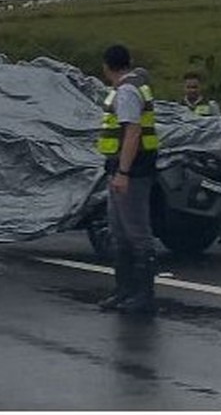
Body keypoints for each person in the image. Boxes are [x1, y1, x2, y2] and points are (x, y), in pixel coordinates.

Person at [95, 44, 160, 316]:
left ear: (106, 66)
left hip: (132, 172)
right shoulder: (130, 87)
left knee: (137, 233)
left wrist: (123, 172)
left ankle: (142, 295)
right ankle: (124, 290)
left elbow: (132, 133)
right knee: (119, 233)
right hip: (119, 169)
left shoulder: (127, 91)